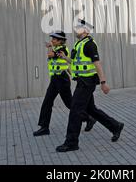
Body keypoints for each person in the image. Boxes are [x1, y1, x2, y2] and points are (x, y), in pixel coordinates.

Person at [55, 19, 124, 152]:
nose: (76, 29)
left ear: (86, 31)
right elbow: (75, 62)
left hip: (87, 83)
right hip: (82, 81)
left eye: (79, 28)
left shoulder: (90, 45)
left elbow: (97, 64)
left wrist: (103, 82)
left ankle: (71, 142)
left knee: (75, 110)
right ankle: (116, 126)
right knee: (91, 109)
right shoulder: (78, 44)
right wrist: (65, 58)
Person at [33, 31, 96, 137]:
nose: (52, 40)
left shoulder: (62, 50)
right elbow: (63, 64)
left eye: (54, 39)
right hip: (55, 79)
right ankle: (44, 127)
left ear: (60, 41)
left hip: (62, 80)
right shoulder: (56, 48)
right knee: (47, 102)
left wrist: (49, 47)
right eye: (52, 39)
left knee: (70, 104)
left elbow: (50, 55)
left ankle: (88, 118)